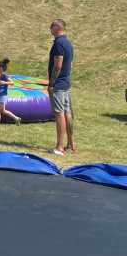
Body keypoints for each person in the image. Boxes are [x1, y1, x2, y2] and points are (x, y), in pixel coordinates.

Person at [47, 19, 75, 156]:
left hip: (58, 84)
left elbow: (58, 65)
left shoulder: (58, 44)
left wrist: (52, 83)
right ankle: (70, 145)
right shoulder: (68, 43)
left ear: (58, 27)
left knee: (59, 114)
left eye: (51, 26)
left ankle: (59, 147)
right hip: (65, 82)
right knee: (67, 113)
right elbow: (70, 65)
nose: (49, 28)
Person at [0, 59, 21, 128]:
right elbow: (1, 85)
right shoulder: (1, 75)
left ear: (1, 68)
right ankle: (16, 118)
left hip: (2, 95)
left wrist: (4, 82)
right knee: (3, 111)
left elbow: (12, 82)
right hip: (1, 95)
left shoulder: (4, 75)